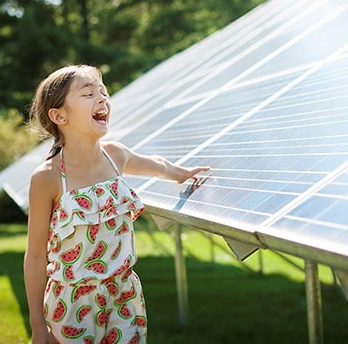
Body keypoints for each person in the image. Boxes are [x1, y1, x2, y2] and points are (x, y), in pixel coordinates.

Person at [24, 64, 210, 343]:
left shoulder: (115, 155)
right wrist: (38, 326)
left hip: (124, 298)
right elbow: (36, 255)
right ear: (59, 115)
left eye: (104, 92)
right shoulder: (47, 178)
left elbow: (156, 165)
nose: (102, 99)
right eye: (88, 94)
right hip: (71, 306)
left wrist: (180, 174)